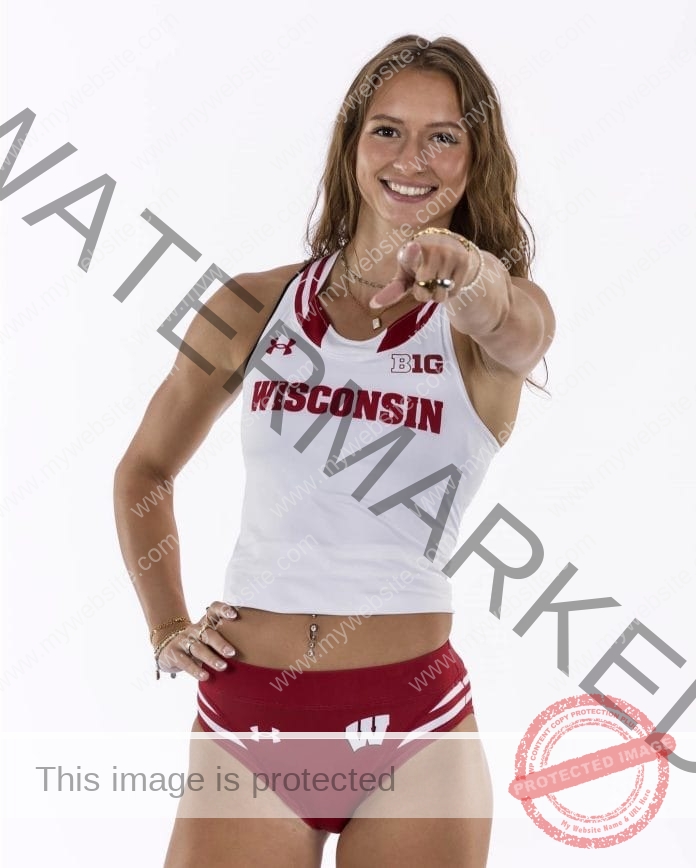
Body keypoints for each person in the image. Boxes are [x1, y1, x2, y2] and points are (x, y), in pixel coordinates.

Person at [114, 33, 554, 868]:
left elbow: (514, 320)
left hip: (416, 724)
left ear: (475, 160)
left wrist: (468, 272)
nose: (412, 158)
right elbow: (145, 470)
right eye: (386, 130)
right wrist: (166, 623)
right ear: (351, 146)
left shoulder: (494, 324)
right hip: (249, 715)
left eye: (444, 136)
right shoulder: (251, 305)